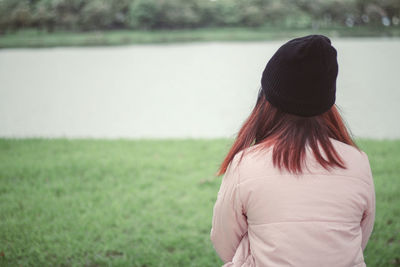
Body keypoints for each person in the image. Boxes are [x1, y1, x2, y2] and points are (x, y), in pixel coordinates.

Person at [210, 35, 375, 267]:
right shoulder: (358, 162)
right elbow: (358, 239)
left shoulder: (245, 163)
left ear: (267, 99)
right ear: (326, 101)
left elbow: (224, 242)